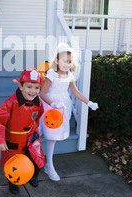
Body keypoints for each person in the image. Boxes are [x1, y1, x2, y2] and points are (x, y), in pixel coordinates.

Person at [40, 43, 99, 181]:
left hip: (63, 107)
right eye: (64, 61)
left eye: (69, 61)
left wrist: (88, 102)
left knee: (53, 136)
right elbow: (43, 93)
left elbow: (75, 92)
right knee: (48, 134)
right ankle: (47, 163)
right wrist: (52, 104)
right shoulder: (52, 74)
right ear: (57, 61)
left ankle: (48, 164)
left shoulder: (69, 75)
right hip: (50, 105)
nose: (67, 64)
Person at [0, 69, 45, 194]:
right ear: (20, 86)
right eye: (29, 87)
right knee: (13, 164)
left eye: (36, 87)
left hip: (30, 137)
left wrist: (34, 129)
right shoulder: (11, 103)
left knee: (37, 159)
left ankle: (33, 176)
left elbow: (38, 116)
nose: (33, 91)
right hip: (14, 139)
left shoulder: (38, 102)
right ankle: (13, 182)